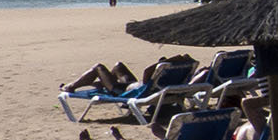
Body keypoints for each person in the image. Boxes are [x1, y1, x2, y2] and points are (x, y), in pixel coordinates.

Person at [59, 55, 197, 95]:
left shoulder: (152, 79)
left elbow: (147, 71)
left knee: (98, 67)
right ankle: (101, 83)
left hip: (125, 91)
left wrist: (166, 61)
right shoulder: (169, 80)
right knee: (118, 66)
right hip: (134, 86)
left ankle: (71, 86)